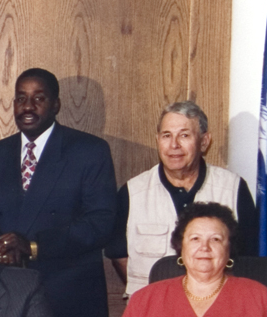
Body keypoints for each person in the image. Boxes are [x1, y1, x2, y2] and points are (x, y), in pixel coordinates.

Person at [0, 68, 117, 317]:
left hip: (69, 298)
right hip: (6, 297)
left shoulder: (89, 151)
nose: (28, 107)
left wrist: (33, 246)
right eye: (21, 98)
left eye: (38, 98)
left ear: (56, 105)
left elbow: (100, 222)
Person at [106, 101, 258, 296]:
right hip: (153, 308)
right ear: (157, 140)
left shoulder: (233, 188)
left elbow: (248, 257)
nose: (174, 145)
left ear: (204, 142)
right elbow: (119, 256)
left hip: (215, 306)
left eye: (184, 135)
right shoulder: (132, 192)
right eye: (166, 136)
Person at [114, 203, 267, 317]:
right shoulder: (143, 300)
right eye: (195, 239)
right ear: (181, 247)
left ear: (229, 249)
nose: (204, 247)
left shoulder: (262, 299)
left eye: (216, 239)